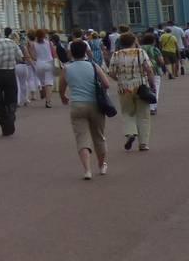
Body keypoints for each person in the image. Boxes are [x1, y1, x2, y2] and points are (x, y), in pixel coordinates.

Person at [58, 38, 112, 181]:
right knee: (99, 136)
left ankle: (87, 170)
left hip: (77, 105)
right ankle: (101, 165)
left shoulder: (66, 68)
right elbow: (106, 84)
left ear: (71, 53)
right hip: (95, 104)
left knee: (81, 137)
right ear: (85, 52)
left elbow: (61, 86)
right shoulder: (93, 66)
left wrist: (63, 97)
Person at [107, 32, 156, 154]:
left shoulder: (116, 55)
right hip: (141, 86)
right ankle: (143, 143)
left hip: (124, 88)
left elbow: (111, 73)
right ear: (134, 41)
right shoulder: (140, 52)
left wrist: (120, 80)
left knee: (127, 113)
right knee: (143, 115)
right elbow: (149, 70)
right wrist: (152, 84)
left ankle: (130, 133)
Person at [29, 29, 57, 108]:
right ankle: (48, 101)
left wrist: (37, 58)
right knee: (49, 83)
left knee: (43, 82)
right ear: (44, 35)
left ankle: (43, 90)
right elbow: (54, 53)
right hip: (49, 63)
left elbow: (33, 56)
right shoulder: (49, 43)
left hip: (39, 64)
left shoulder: (34, 44)